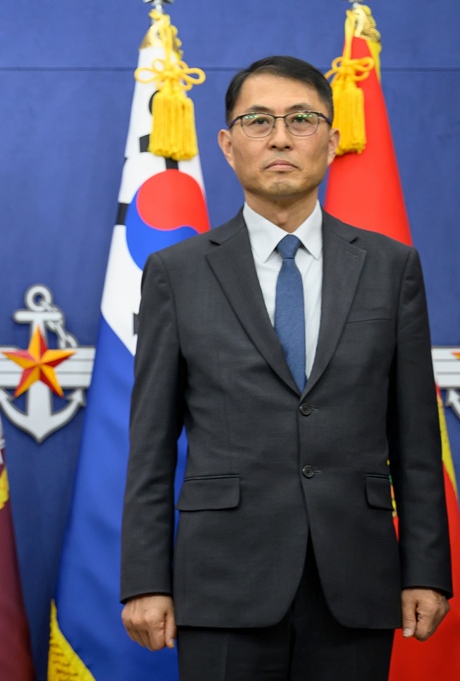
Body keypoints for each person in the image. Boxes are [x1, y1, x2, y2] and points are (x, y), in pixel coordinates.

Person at [120, 55, 451, 679]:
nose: (279, 137)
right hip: (221, 583)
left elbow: (415, 439)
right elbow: (151, 446)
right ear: (225, 143)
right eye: (257, 120)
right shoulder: (178, 273)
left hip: (356, 578)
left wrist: (427, 570)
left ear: (331, 139)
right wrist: (144, 579)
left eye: (301, 119)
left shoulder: (390, 268)